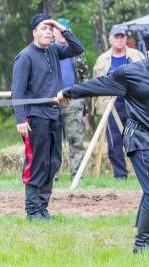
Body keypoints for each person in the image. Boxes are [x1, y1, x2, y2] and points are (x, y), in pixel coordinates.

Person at [56, 28, 149, 253]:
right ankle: (142, 244)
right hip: (140, 136)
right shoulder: (128, 73)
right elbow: (97, 85)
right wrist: (69, 92)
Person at [11, 13, 83, 220]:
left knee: (53, 162)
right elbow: (17, 92)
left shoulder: (53, 50)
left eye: (50, 29)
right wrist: (20, 120)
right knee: (37, 163)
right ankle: (32, 210)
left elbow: (77, 48)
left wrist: (61, 27)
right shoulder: (25, 57)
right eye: (44, 28)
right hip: (34, 117)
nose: (48, 32)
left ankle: (43, 208)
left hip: (54, 114)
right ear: (34, 32)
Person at [93, 26, 144, 180]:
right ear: (110, 39)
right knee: (114, 142)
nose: (120, 39)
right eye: (116, 37)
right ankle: (120, 175)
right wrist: (95, 108)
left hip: (134, 105)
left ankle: (142, 173)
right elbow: (96, 83)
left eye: (122, 37)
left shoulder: (137, 56)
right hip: (111, 105)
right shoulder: (102, 59)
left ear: (126, 39)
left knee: (136, 139)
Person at [53, 18, 89, 180]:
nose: (61, 34)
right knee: (52, 141)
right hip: (51, 102)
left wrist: (85, 108)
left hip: (73, 102)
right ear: (53, 32)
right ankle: (52, 176)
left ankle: (77, 176)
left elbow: (84, 81)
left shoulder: (77, 54)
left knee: (76, 140)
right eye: (58, 31)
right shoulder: (47, 50)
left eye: (64, 30)